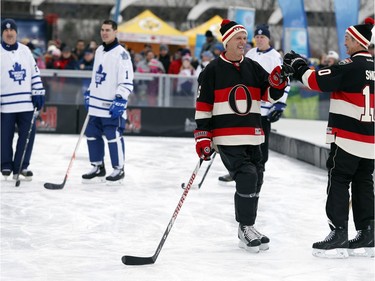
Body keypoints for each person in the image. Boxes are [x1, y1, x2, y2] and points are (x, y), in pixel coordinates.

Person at [283, 18, 374, 258]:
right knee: (364, 181)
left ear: (358, 41)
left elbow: (317, 80)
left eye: (347, 39)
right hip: (370, 140)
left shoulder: (349, 66)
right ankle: (368, 232)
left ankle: (339, 233)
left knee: (340, 179)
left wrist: (299, 65)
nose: (344, 43)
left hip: (347, 137)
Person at [194, 19, 288, 253]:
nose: (243, 42)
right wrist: (203, 137)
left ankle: (249, 225)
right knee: (246, 175)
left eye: (244, 39)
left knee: (257, 177)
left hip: (254, 135)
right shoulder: (212, 70)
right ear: (226, 42)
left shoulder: (253, 66)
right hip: (227, 136)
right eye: (238, 38)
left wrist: (279, 80)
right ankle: (244, 227)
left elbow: (270, 94)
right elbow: (203, 106)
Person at [218, 24, 289, 182]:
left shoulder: (275, 56)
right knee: (242, 140)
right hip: (246, 108)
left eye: (262, 37)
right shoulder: (249, 53)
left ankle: (259, 170)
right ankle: (236, 169)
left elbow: (284, 81)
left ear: (268, 39)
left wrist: (280, 104)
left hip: (264, 109)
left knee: (260, 143)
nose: (259, 40)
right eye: (256, 37)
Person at [82, 19, 134, 184]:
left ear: (115, 31)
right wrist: (89, 92)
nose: (104, 32)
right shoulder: (98, 50)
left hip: (111, 105)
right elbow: (96, 75)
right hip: (96, 104)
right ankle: (97, 165)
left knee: (113, 134)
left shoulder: (122, 54)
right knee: (91, 133)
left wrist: (120, 98)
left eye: (108, 30)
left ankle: (119, 168)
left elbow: (126, 81)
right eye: (102, 29)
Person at [1, 19, 45, 180]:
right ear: (2, 33)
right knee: (5, 136)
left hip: (26, 103)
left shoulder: (26, 51)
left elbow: (35, 73)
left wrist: (38, 92)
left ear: (16, 32)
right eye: (6, 30)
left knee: (28, 135)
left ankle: (21, 166)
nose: (9, 33)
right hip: (6, 105)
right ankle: (5, 164)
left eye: (12, 30)